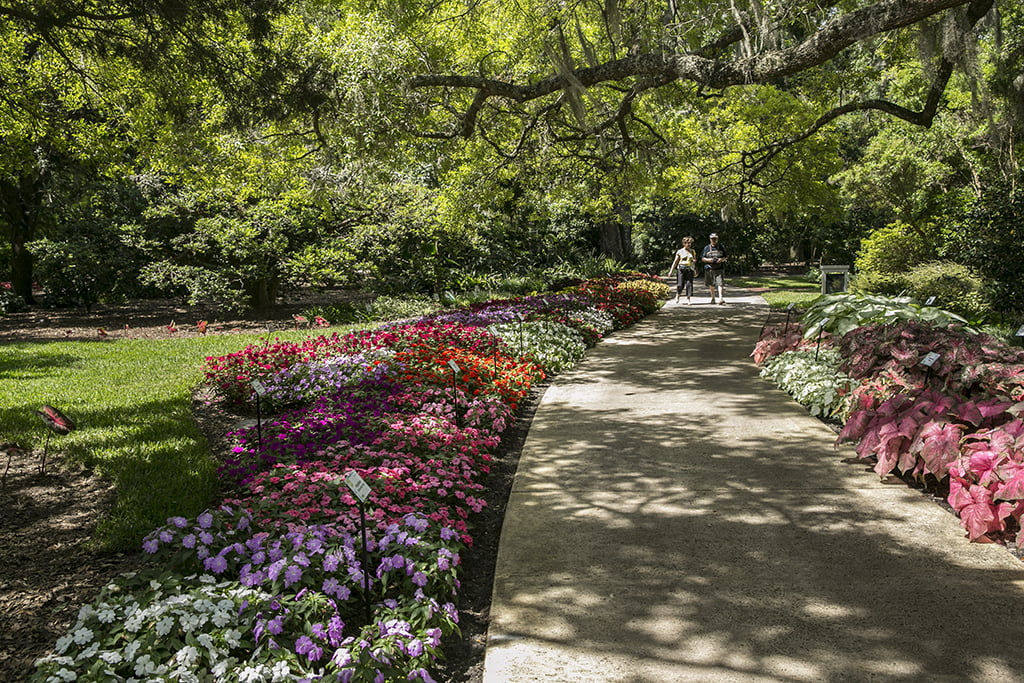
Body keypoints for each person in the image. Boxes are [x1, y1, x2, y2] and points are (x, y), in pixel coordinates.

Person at [667, 236, 697, 304]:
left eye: (690, 243)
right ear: (684, 243)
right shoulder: (680, 251)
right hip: (681, 269)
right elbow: (675, 262)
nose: (689, 244)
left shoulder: (693, 251)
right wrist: (671, 271)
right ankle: (678, 295)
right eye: (687, 243)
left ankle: (688, 298)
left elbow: (694, 261)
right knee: (680, 284)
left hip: (689, 269)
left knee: (689, 284)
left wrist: (695, 268)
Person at [701, 233, 727, 304]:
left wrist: (721, 260)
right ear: (710, 239)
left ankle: (721, 298)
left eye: (715, 238)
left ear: (717, 239)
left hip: (719, 268)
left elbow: (725, 256)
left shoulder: (721, 247)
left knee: (720, 283)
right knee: (711, 284)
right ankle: (713, 298)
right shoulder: (706, 248)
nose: (714, 240)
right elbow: (702, 258)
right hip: (709, 268)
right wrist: (709, 260)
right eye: (712, 239)